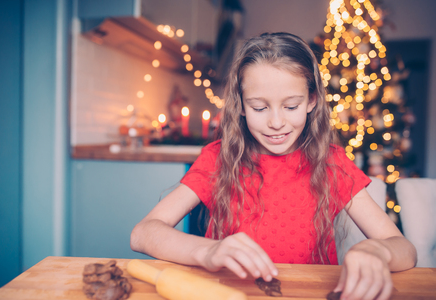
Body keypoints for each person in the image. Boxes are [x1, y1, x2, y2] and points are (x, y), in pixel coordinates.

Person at [130, 32, 417, 300]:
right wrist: (208, 252)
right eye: (259, 107)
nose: (276, 122)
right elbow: (142, 234)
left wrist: (377, 249)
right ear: (240, 105)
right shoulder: (219, 159)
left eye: (291, 106)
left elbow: (404, 249)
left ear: (312, 101)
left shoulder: (330, 163)